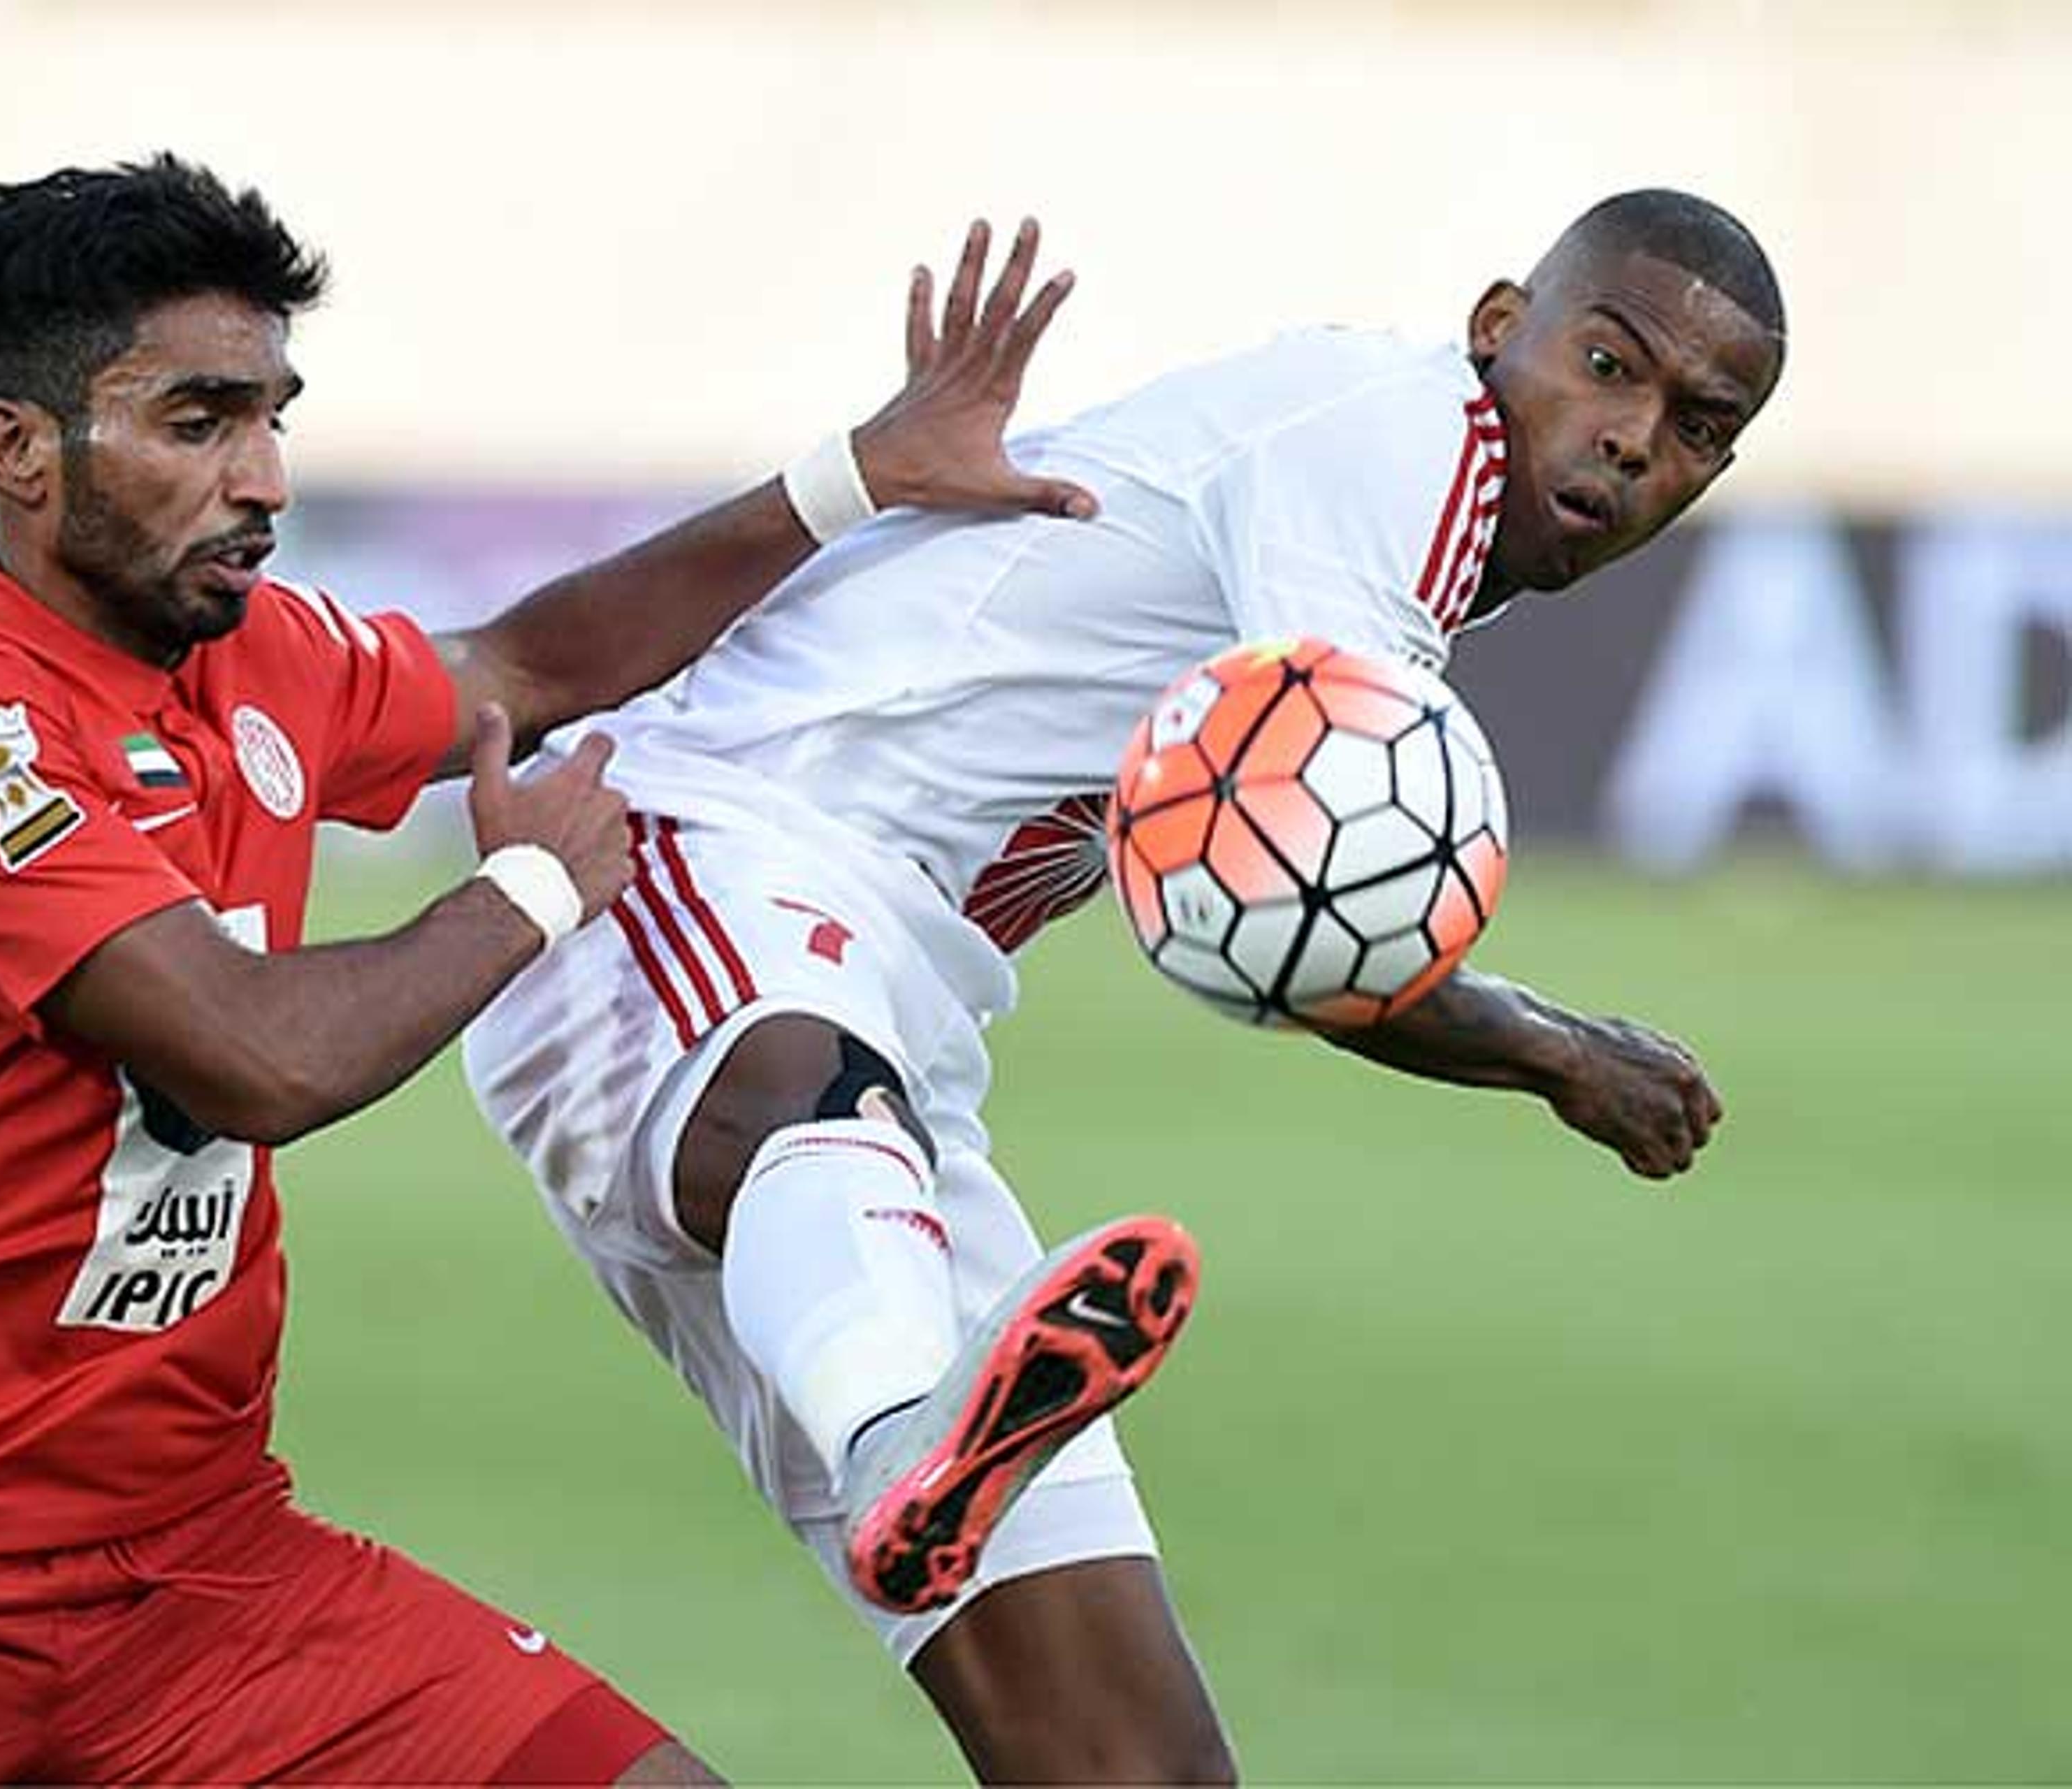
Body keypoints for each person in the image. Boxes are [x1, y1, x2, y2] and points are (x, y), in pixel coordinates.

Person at [0, 154, 1106, 1787]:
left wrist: (856, 475)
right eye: (198, 422)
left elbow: (528, 663)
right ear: (21, 451)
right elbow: (255, 1057)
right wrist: (527, 890)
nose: (262, 474)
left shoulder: (259, 657)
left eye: (273, 414)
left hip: (200, 1580)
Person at [462, 187, 1785, 1783]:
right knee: (809, 1094)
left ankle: (914, 1432)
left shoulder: (1428, 516)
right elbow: (1313, 902)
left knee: (1134, 1762)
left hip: (898, 1030)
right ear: (1500, 325)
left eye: (1701, 424)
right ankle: (901, 1428)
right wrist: (1559, 1049)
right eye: (1609, 363)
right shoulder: (1403, 438)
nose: (1639, 439)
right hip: (699, 849)